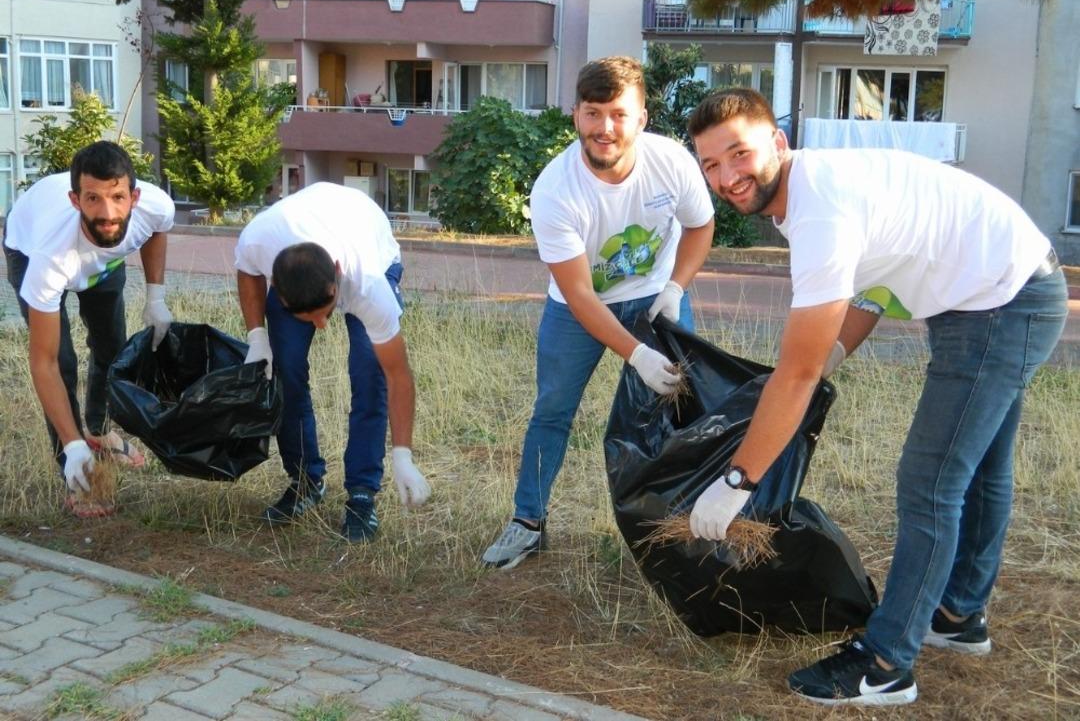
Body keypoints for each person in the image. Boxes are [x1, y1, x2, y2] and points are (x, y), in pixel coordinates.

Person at [686, 88, 1067, 706]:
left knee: (930, 481)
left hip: (1001, 304)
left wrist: (737, 482)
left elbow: (795, 374)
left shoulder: (818, 209)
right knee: (981, 467)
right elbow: (872, 284)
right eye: (710, 164)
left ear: (777, 144)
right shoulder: (814, 186)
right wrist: (836, 354)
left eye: (739, 154)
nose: (728, 176)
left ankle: (886, 664)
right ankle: (957, 617)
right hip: (996, 293)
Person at [481, 56, 716, 569]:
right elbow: (582, 295)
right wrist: (637, 356)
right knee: (552, 411)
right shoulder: (555, 189)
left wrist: (676, 287)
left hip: (657, 296)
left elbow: (700, 227)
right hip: (579, 309)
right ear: (576, 117)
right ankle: (528, 521)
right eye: (593, 113)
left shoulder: (671, 162)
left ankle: (680, 529)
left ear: (642, 118)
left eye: (618, 114)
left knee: (681, 410)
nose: (605, 128)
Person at [234, 182, 431, 543]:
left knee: (368, 376)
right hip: (300, 239)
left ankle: (361, 495)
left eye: (324, 313)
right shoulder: (258, 241)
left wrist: (403, 454)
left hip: (365, 235)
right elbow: (247, 271)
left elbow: (397, 374)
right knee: (285, 371)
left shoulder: (368, 285)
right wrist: (257, 338)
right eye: (308, 318)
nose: (322, 326)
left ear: (337, 275)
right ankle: (306, 481)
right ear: (277, 285)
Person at [3, 141, 175, 517]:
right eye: (93, 198)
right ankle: (75, 463)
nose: (108, 211)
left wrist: (156, 296)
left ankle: (97, 430)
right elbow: (43, 364)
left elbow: (158, 230)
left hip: (102, 266)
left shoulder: (155, 206)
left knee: (113, 348)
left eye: (117, 196)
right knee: (62, 363)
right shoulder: (49, 257)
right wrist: (71, 444)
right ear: (75, 200)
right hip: (27, 246)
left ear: (135, 196)